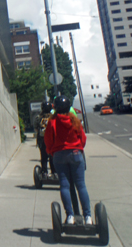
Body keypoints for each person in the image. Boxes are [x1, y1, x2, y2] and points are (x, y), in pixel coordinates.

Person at [44, 95, 92, 225]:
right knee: (80, 185)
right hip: (75, 153)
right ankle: (88, 217)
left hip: (59, 155)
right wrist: (79, 148)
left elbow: (48, 139)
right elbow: (82, 138)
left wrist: (51, 151)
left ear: (55, 107)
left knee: (65, 185)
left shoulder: (52, 122)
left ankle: (70, 216)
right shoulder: (74, 120)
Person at [35, 100, 55, 176]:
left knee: (43, 156)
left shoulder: (38, 117)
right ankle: (54, 172)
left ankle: (44, 172)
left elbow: (36, 128)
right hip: (52, 140)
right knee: (52, 156)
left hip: (41, 140)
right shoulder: (53, 117)